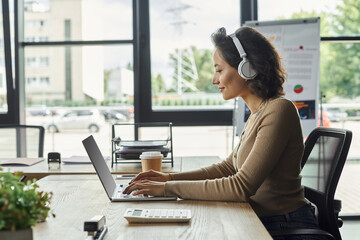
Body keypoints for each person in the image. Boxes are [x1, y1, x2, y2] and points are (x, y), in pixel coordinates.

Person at [123, 26, 323, 239]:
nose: (214, 79)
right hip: (262, 219)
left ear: (248, 68)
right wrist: (168, 178)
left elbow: (240, 187)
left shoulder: (279, 110)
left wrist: (167, 188)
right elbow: (228, 167)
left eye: (219, 70)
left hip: (286, 226)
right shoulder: (258, 112)